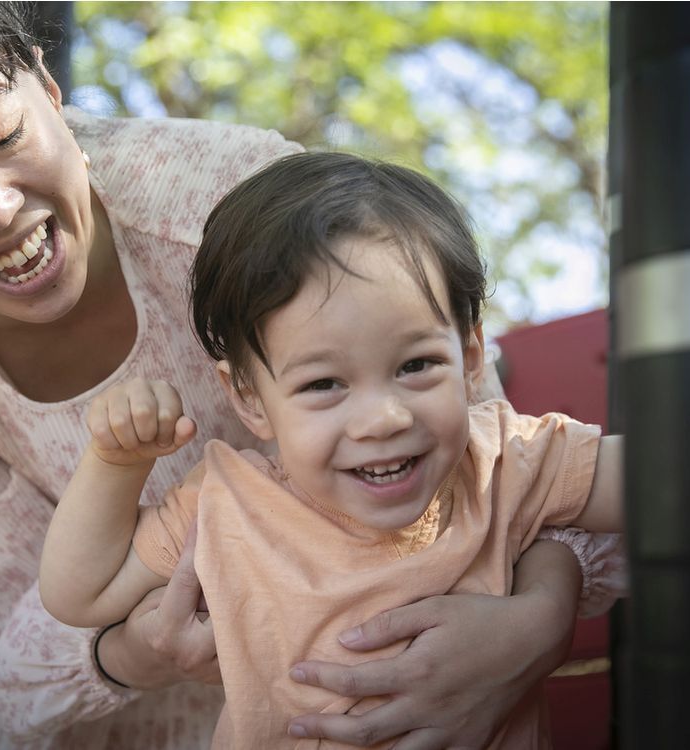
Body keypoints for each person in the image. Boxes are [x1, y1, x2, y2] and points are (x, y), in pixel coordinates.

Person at [0, 4, 626, 748]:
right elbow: (44, 620)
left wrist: (535, 623)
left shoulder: (244, 209)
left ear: (46, 81)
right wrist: (137, 651)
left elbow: (496, 469)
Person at [39, 152, 625, 748]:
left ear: (470, 358)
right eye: (324, 384)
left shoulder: (504, 460)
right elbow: (79, 594)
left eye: (416, 365)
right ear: (251, 400)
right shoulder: (229, 506)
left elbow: (667, 482)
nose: (383, 419)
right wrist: (117, 462)